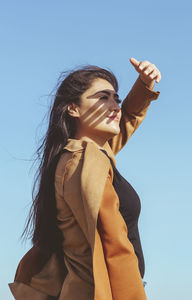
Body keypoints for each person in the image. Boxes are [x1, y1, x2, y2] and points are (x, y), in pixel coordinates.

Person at [9, 57, 161, 300]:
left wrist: (144, 84)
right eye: (103, 97)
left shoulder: (83, 156)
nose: (115, 106)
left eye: (116, 99)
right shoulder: (85, 162)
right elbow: (114, 246)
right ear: (73, 108)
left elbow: (127, 119)